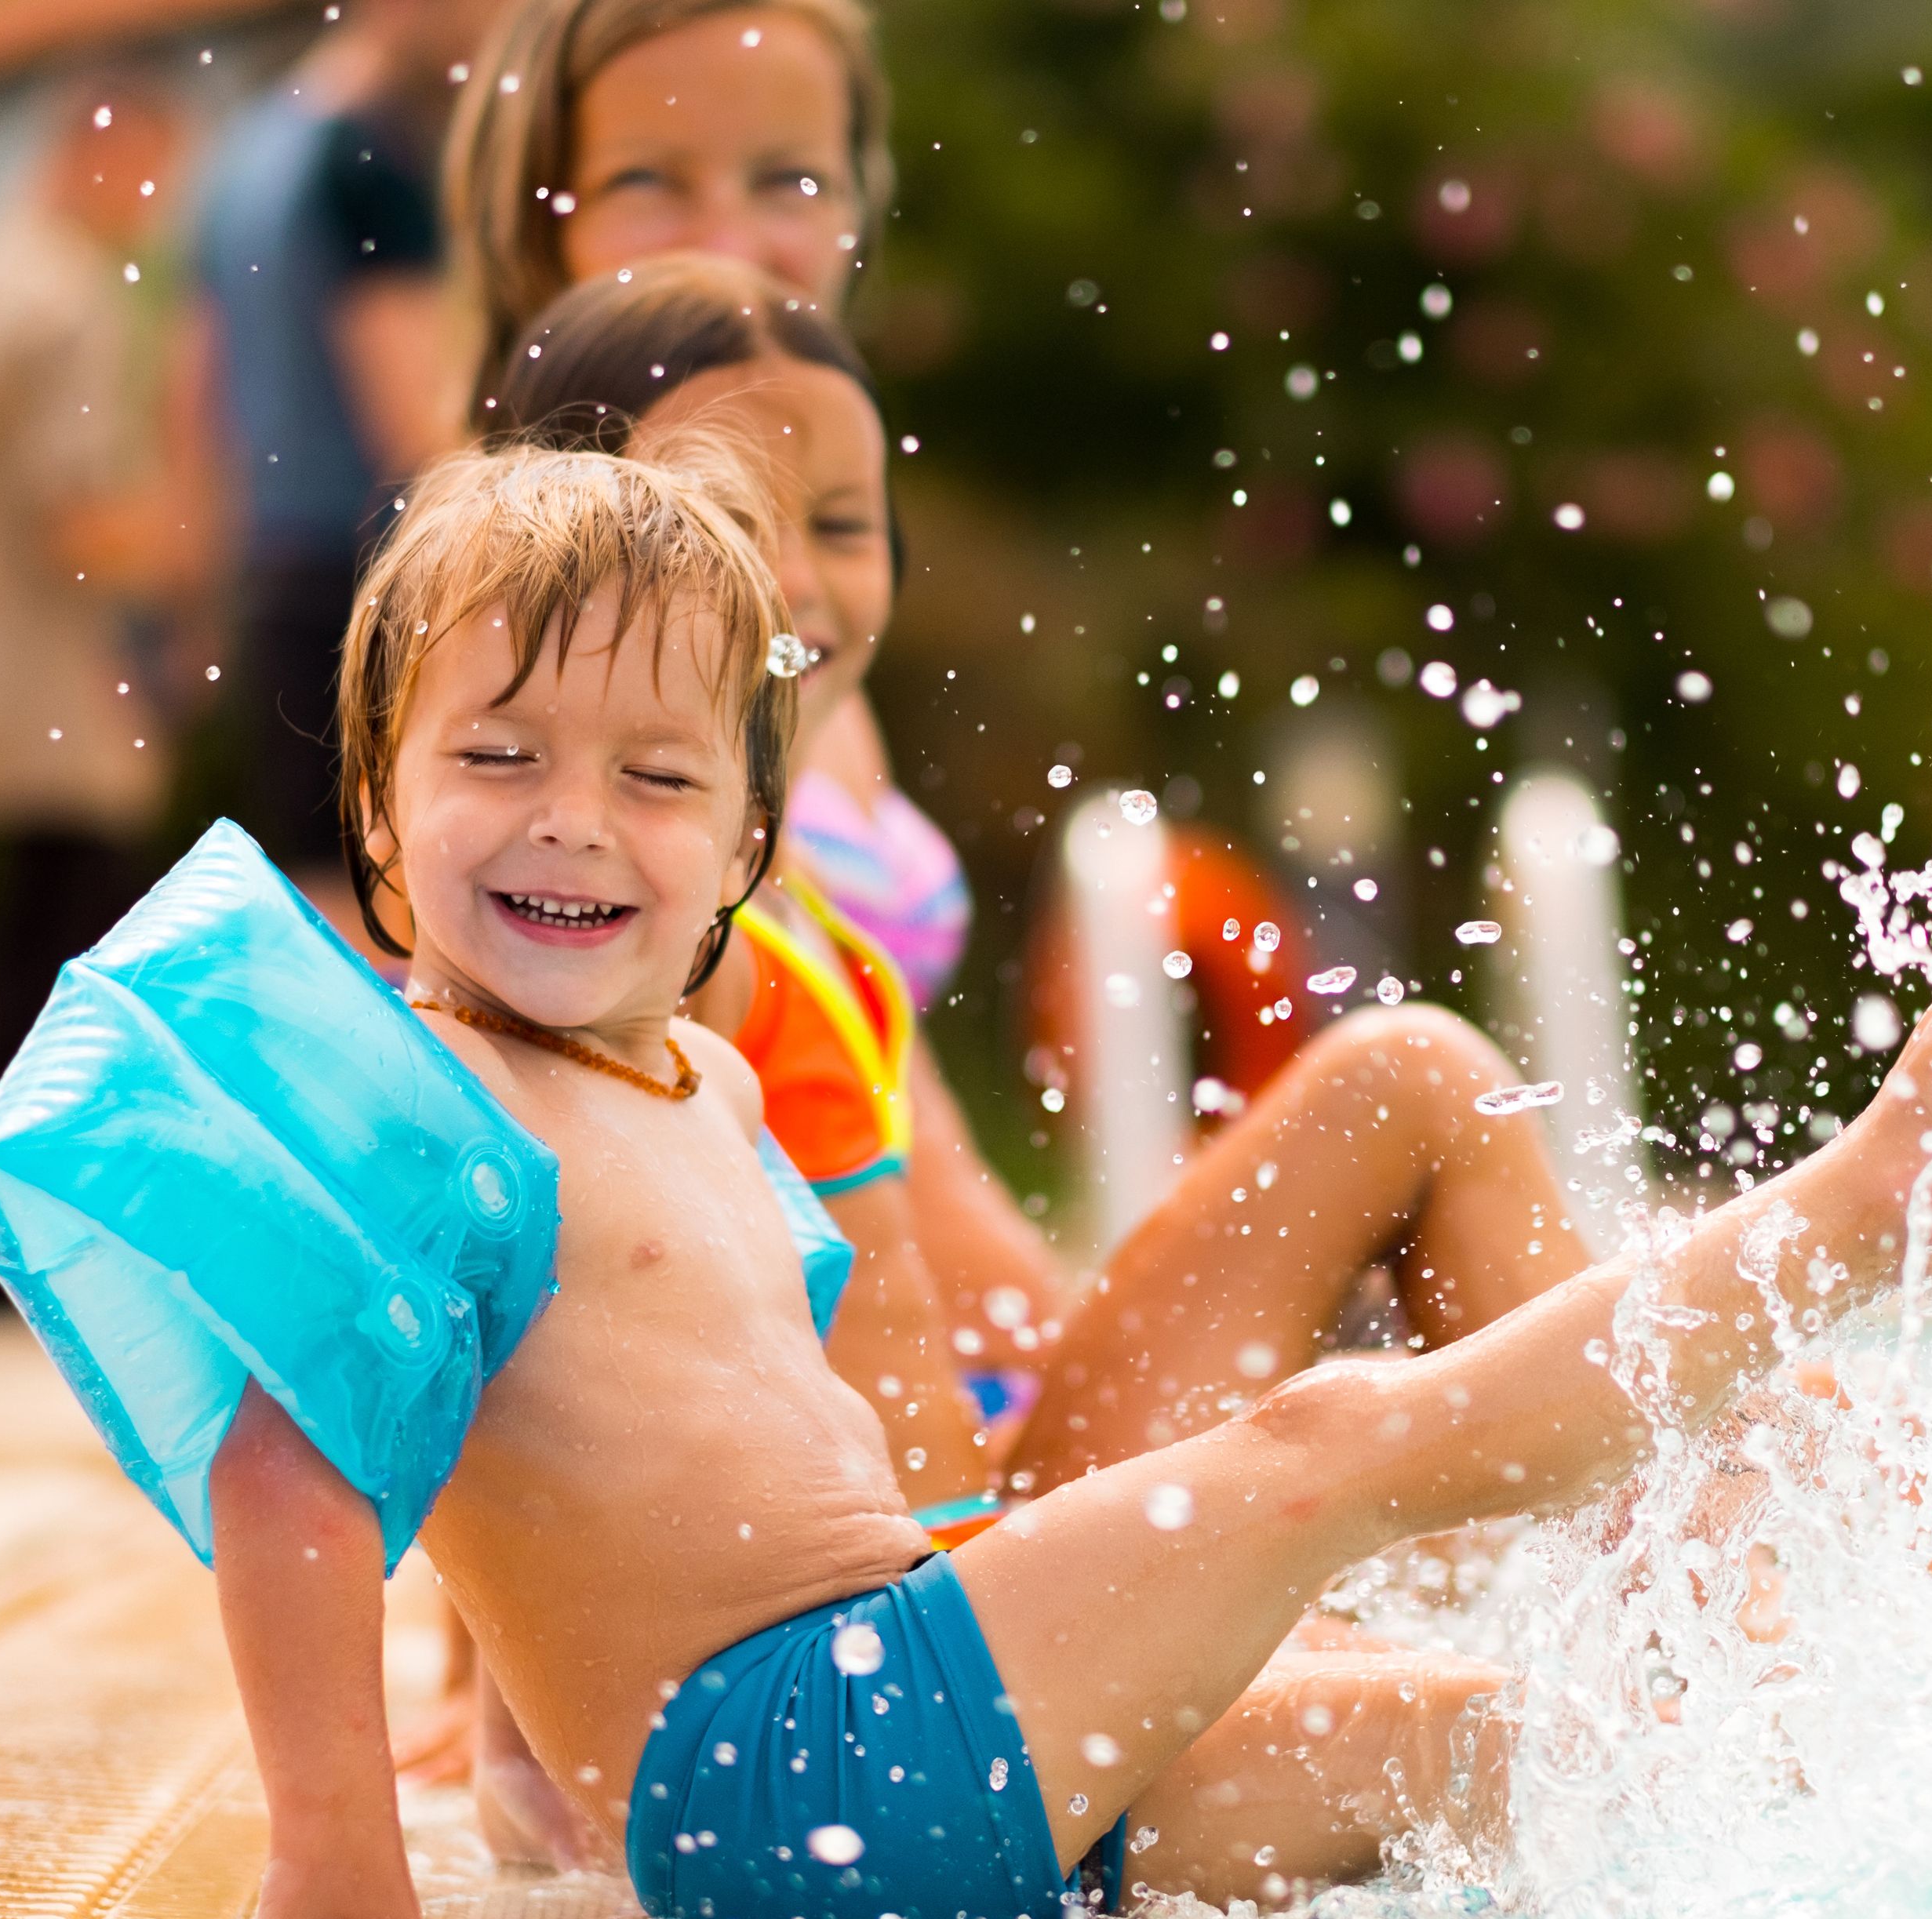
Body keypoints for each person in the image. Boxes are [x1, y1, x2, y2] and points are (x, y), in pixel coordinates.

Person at [179, 437, 1932, 1919]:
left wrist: (532, 1765)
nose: (574, 820)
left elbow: (592, 1474)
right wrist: (342, 1886)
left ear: (745, 848)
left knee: (1494, 1743)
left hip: (885, 1723)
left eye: (655, 777)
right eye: (497, 758)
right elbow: (297, 1463)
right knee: (1320, 1449)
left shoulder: (696, 1081)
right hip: (786, 1759)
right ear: (374, 799)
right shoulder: (420, 1108)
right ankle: (1879, 1208)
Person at [485, 261, 1591, 1514]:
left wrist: (1077, 1347)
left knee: (1417, 1083)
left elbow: (923, 1172)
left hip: (1003, 1461)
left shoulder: (783, 842)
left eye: (843, 526)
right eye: (736, 518)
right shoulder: (619, 917)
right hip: (928, 1584)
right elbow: (536, 1346)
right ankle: (1691, 1586)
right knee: (1415, 1083)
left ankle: (1683, 1570)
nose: (796, 576)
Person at [446, 0, 973, 1003]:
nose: (727, 241)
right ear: (534, 223)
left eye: (791, 180)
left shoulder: (815, 585)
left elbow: (883, 1106)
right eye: (647, 178)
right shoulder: (503, 592)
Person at [0, 72, 213, 1303]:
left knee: (14, 966)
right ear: (107, 150)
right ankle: (15, 1263)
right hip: (72, 689)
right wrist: (192, 542)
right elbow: (83, 519)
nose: (159, 208)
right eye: (159, 174)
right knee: (67, 988)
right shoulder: (72, 300)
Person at [187, 0, 508, 918]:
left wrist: (203, 594)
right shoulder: (367, 162)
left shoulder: (241, 155)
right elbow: (414, 425)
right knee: (404, 920)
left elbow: (195, 399)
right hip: (374, 578)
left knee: (327, 912)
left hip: (276, 582)